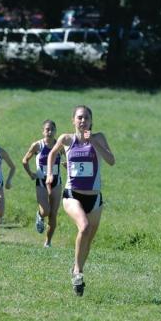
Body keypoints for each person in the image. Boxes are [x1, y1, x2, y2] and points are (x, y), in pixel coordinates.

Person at [47, 106, 115, 296]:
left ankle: (77, 268)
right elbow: (52, 154)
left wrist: (93, 142)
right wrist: (50, 175)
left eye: (86, 118)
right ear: (73, 120)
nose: (83, 121)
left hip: (95, 198)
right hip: (72, 195)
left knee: (88, 240)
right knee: (83, 227)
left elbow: (111, 160)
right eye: (79, 118)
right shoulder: (66, 139)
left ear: (91, 121)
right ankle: (77, 272)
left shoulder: (99, 138)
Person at [22, 119, 63, 248]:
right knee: (46, 211)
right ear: (43, 131)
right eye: (47, 129)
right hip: (41, 181)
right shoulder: (37, 146)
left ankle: (48, 242)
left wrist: (68, 165)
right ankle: (39, 215)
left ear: (56, 131)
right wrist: (31, 174)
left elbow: (70, 157)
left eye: (52, 129)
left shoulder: (60, 146)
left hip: (56, 181)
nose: (50, 132)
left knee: (53, 213)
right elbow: (25, 160)